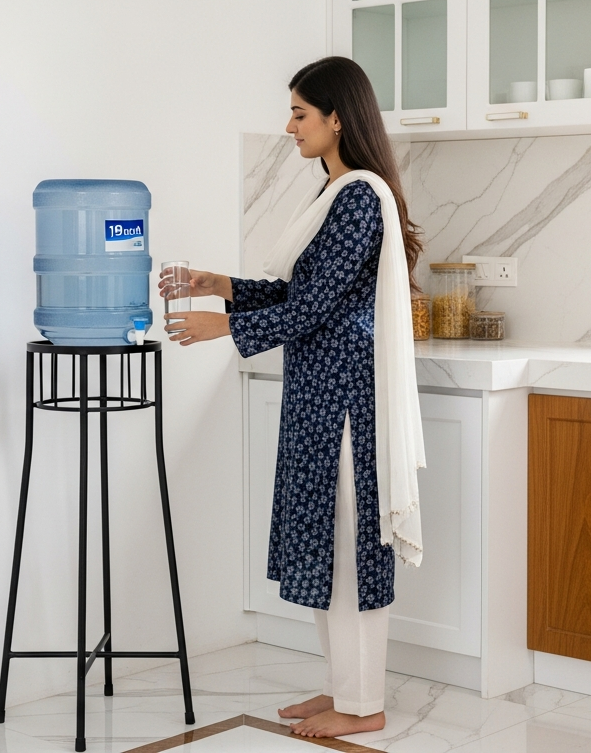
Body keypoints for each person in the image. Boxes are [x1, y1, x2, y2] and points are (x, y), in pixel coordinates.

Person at [160, 56, 426, 739]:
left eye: (301, 113)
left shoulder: (360, 198)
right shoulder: (332, 195)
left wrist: (226, 326)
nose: (289, 126)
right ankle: (344, 687)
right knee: (323, 542)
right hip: (317, 396)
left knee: (349, 549)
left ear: (338, 118)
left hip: (344, 402)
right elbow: (295, 295)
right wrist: (216, 283)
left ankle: (363, 705)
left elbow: (308, 308)